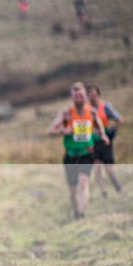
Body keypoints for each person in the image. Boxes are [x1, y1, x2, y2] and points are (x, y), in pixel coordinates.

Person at [48, 82, 109, 219]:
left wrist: (103, 135)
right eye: (75, 96)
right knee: (73, 190)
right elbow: (51, 130)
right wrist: (64, 131)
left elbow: (99, 127)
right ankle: (76, 212)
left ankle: (82, 213)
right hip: (70, 155)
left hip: (87, 153)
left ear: (85, 96)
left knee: (84, 182)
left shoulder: (92, 112)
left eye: (81, 95)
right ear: (72, 97)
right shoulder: (66, 113)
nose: (78, 98)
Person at [86, 84, 123, 197]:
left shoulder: (105, 107)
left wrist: (113, 132)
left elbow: (119, 119)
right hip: (93, 141)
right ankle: (103, 192)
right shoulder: (86, 109)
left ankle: (117, 186)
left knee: (109, 168)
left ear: (98, 94)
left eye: (94, 94)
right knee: (97, 167)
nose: (92, 97)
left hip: (105, 140)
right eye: (90, 95)